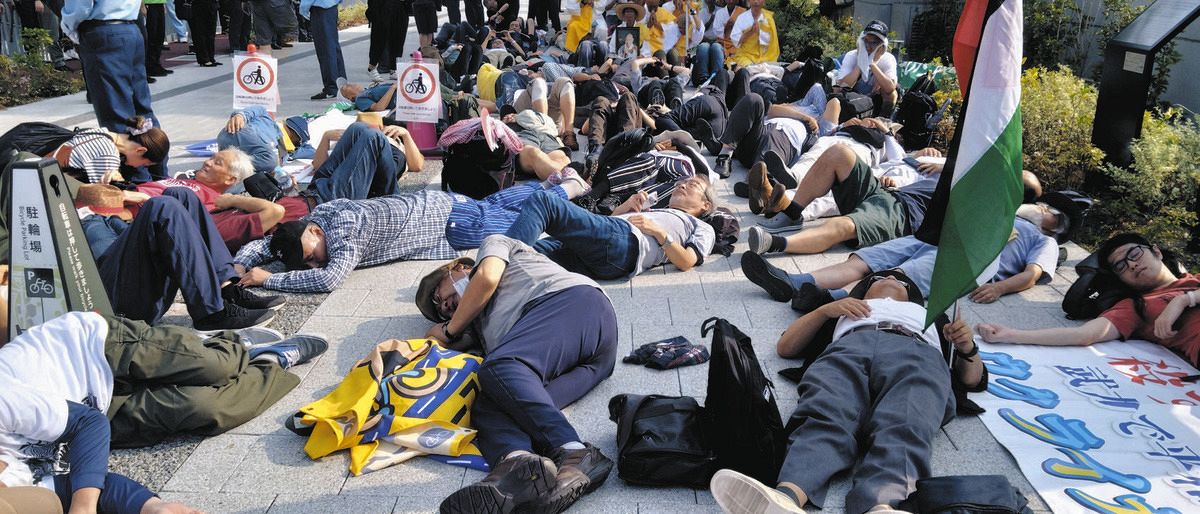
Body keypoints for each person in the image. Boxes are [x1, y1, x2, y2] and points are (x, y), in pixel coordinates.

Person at [709, 270, 987, 514]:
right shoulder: (846, 308)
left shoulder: (935, 318)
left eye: (901, 280)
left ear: (913, 297)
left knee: (907, 423)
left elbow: (972, 380)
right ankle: (786, 497)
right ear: (863, 290)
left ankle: (883, 505)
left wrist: (966, 347)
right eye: (879, 277)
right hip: (850, 348)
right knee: (826, 411)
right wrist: (824, 311)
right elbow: (786, 348)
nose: (891, 277)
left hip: (916, 353)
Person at [416, 236, 616, 513]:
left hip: (571, 303)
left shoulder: (496, 246)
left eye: (438, 295)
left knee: (499, 367)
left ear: (460, 267)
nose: (443, 307)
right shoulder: (479, 325)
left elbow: (486, 279)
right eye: (438, 311)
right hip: (591, 361)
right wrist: (440, 336)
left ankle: (574, 450)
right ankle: (518, 468)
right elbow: (437, 346)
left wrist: (449, 330)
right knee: (490, 403)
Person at [0, 311, 325, 451]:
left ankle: (230, 343)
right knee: (202, 408)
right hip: (94, 411)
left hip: (85, 349)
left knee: (215, 365)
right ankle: (269, 362)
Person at [234, 178, 590, 292]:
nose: (314, 262)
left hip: (450, 224)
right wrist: (239, 264)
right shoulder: (318, 218)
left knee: (520, 220)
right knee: (493, 204)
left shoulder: (344, 228)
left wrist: (269, 280)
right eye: (308, 261)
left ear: (314, 231)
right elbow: (268, 243)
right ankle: (552, 183)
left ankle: (565, 192)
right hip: (442, 207)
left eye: (310, 255)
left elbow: (329, 280)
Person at [741, 213, 1065, 307]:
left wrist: (1000, 289)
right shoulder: (1006, 210)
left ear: (1052, 221)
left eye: (1047, 210)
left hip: (969, 260)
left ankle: (831, 299)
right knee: (866, 260)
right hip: (940, 237)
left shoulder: (1043, 239)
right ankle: (795, 282)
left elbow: (1033, 274)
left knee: (896, 276)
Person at [78, 185, 286, 330]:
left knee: (180, 195)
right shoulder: (62, 220)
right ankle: (210, 314)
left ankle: (226, 289)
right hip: (111, 300)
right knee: (163, 207)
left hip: (127, 274)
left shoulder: (104, 219)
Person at [978, 233, 1200, 364]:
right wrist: (1011, 335)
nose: (1132, 264)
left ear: (1156, 252)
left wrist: (1184, 300)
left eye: (1134, 254)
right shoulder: (1136, 306)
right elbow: (1084, 335)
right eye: (1121, 266)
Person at [503, 175, 718, 280]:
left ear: (705, 205)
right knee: (529, 256)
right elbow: (605, 224)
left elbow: (687, 261)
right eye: (683, 182)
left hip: (625, 244)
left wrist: (660, 233)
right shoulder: (658, 211)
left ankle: (492, 265)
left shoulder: (701, 226)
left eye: (692, 185)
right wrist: (627, 207)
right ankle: (483, 281)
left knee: (543, 201)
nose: (682, 185)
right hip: (608, 252)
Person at [60, 0, 161, 134]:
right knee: (140, 104)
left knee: (116, 109)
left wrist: (68, 27)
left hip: (103, 31)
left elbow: (80, 8)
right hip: (131, 26)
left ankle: (126, 152)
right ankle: (154, 149)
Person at [0, 117, 170, 185]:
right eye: (146, 164)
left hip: (31, 171)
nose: (141, 167)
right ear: (141, 150)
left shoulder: (102, 132)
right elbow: (103, 197)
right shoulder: (108, 155)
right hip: (35, 185)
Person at [305, 119, 424, 203]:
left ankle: (392, 205)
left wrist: (406, 135)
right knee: (358, 127)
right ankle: (316, 193)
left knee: (372, 136)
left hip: (370, 186)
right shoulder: (357, 135)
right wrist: (325, 137)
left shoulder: (397, 147)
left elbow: (417, 165)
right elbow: (318, 165)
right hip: (326, 186)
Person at [835, 20, 898, 117]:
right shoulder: (852, 55)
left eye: (874, 43)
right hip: (853, 99)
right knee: (837, 91)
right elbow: (842, 86)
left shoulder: (888, 58)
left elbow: (890, 88)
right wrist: (861, 62)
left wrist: (872, 64)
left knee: (892, 94)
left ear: (882, 45)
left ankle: (883, 120)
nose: (868, 47)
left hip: (875, 99)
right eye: (866, 41)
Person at [301, 0, 346, 99]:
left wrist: (303, 8)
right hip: (331, 6)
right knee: (333, 46)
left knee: (325, 48)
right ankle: (341, 84)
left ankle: (331, 87)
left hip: (320, 8)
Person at [725, 0, 776, 67]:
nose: (756, 2)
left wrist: (759, 33)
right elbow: (736, 41)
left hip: (765, 56)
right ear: (749, 1)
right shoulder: (742, 18)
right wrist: (750, 32)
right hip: (745, 55)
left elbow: (772, 42)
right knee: (750, 68)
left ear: (763, 1)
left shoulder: (768, 18)